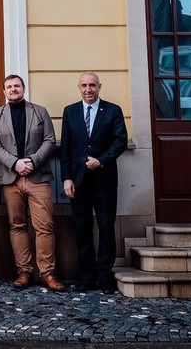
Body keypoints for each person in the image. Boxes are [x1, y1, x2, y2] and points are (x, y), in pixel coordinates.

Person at [0, 73, 64, 292]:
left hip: (37, 177)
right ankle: (24, 272)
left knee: (44, 226)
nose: (13, 89)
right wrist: (15, 163)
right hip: (11, 178)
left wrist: (32, 161)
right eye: (9, 87)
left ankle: (47, 273)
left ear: (23, 88)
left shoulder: (40, 111)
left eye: (17, 86)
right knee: (17, 225)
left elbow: (50, 140)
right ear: (4, 91)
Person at [60, 72, 128, 293]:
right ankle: (86, 278)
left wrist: (101, 160)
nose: (88, 89)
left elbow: (120, 142)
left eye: (92, 85)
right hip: (78, 181)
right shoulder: (70, 112)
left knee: (106, 228)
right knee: (82, 229)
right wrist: (67, 178)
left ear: (99, 87)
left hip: (104, 180)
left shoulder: (113, 110)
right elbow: (66, 148)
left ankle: (105, 278)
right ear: (79, 88)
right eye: (84, 85)